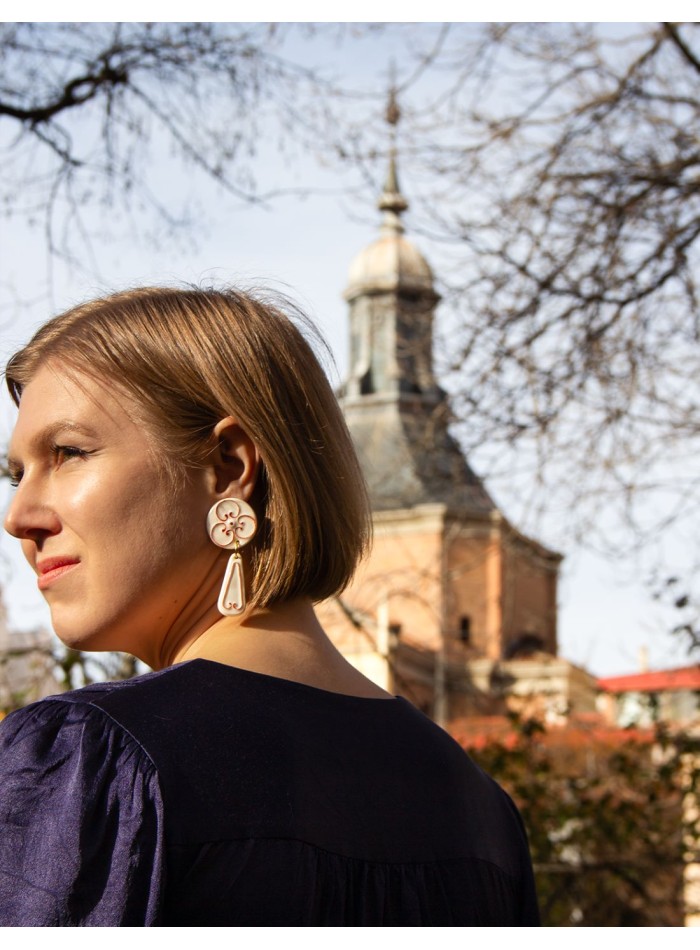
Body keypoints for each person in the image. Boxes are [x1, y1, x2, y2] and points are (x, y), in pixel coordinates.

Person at [0, 286, 539, 926]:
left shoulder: (94, 758)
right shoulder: (482, 812)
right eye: (16, 475)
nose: (19, 518)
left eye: (69, 453)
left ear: (229, 465)